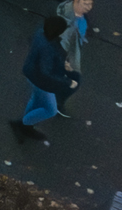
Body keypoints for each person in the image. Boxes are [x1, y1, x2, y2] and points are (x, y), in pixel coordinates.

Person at [15, 9, 77, 139]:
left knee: (36, 100)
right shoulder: (50, 47)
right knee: (50, 110)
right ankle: (24, 124)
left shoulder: (40, 33)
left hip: (31, 73)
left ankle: (25, 124)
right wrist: (68, 81)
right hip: (41, 82)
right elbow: (46, 72)